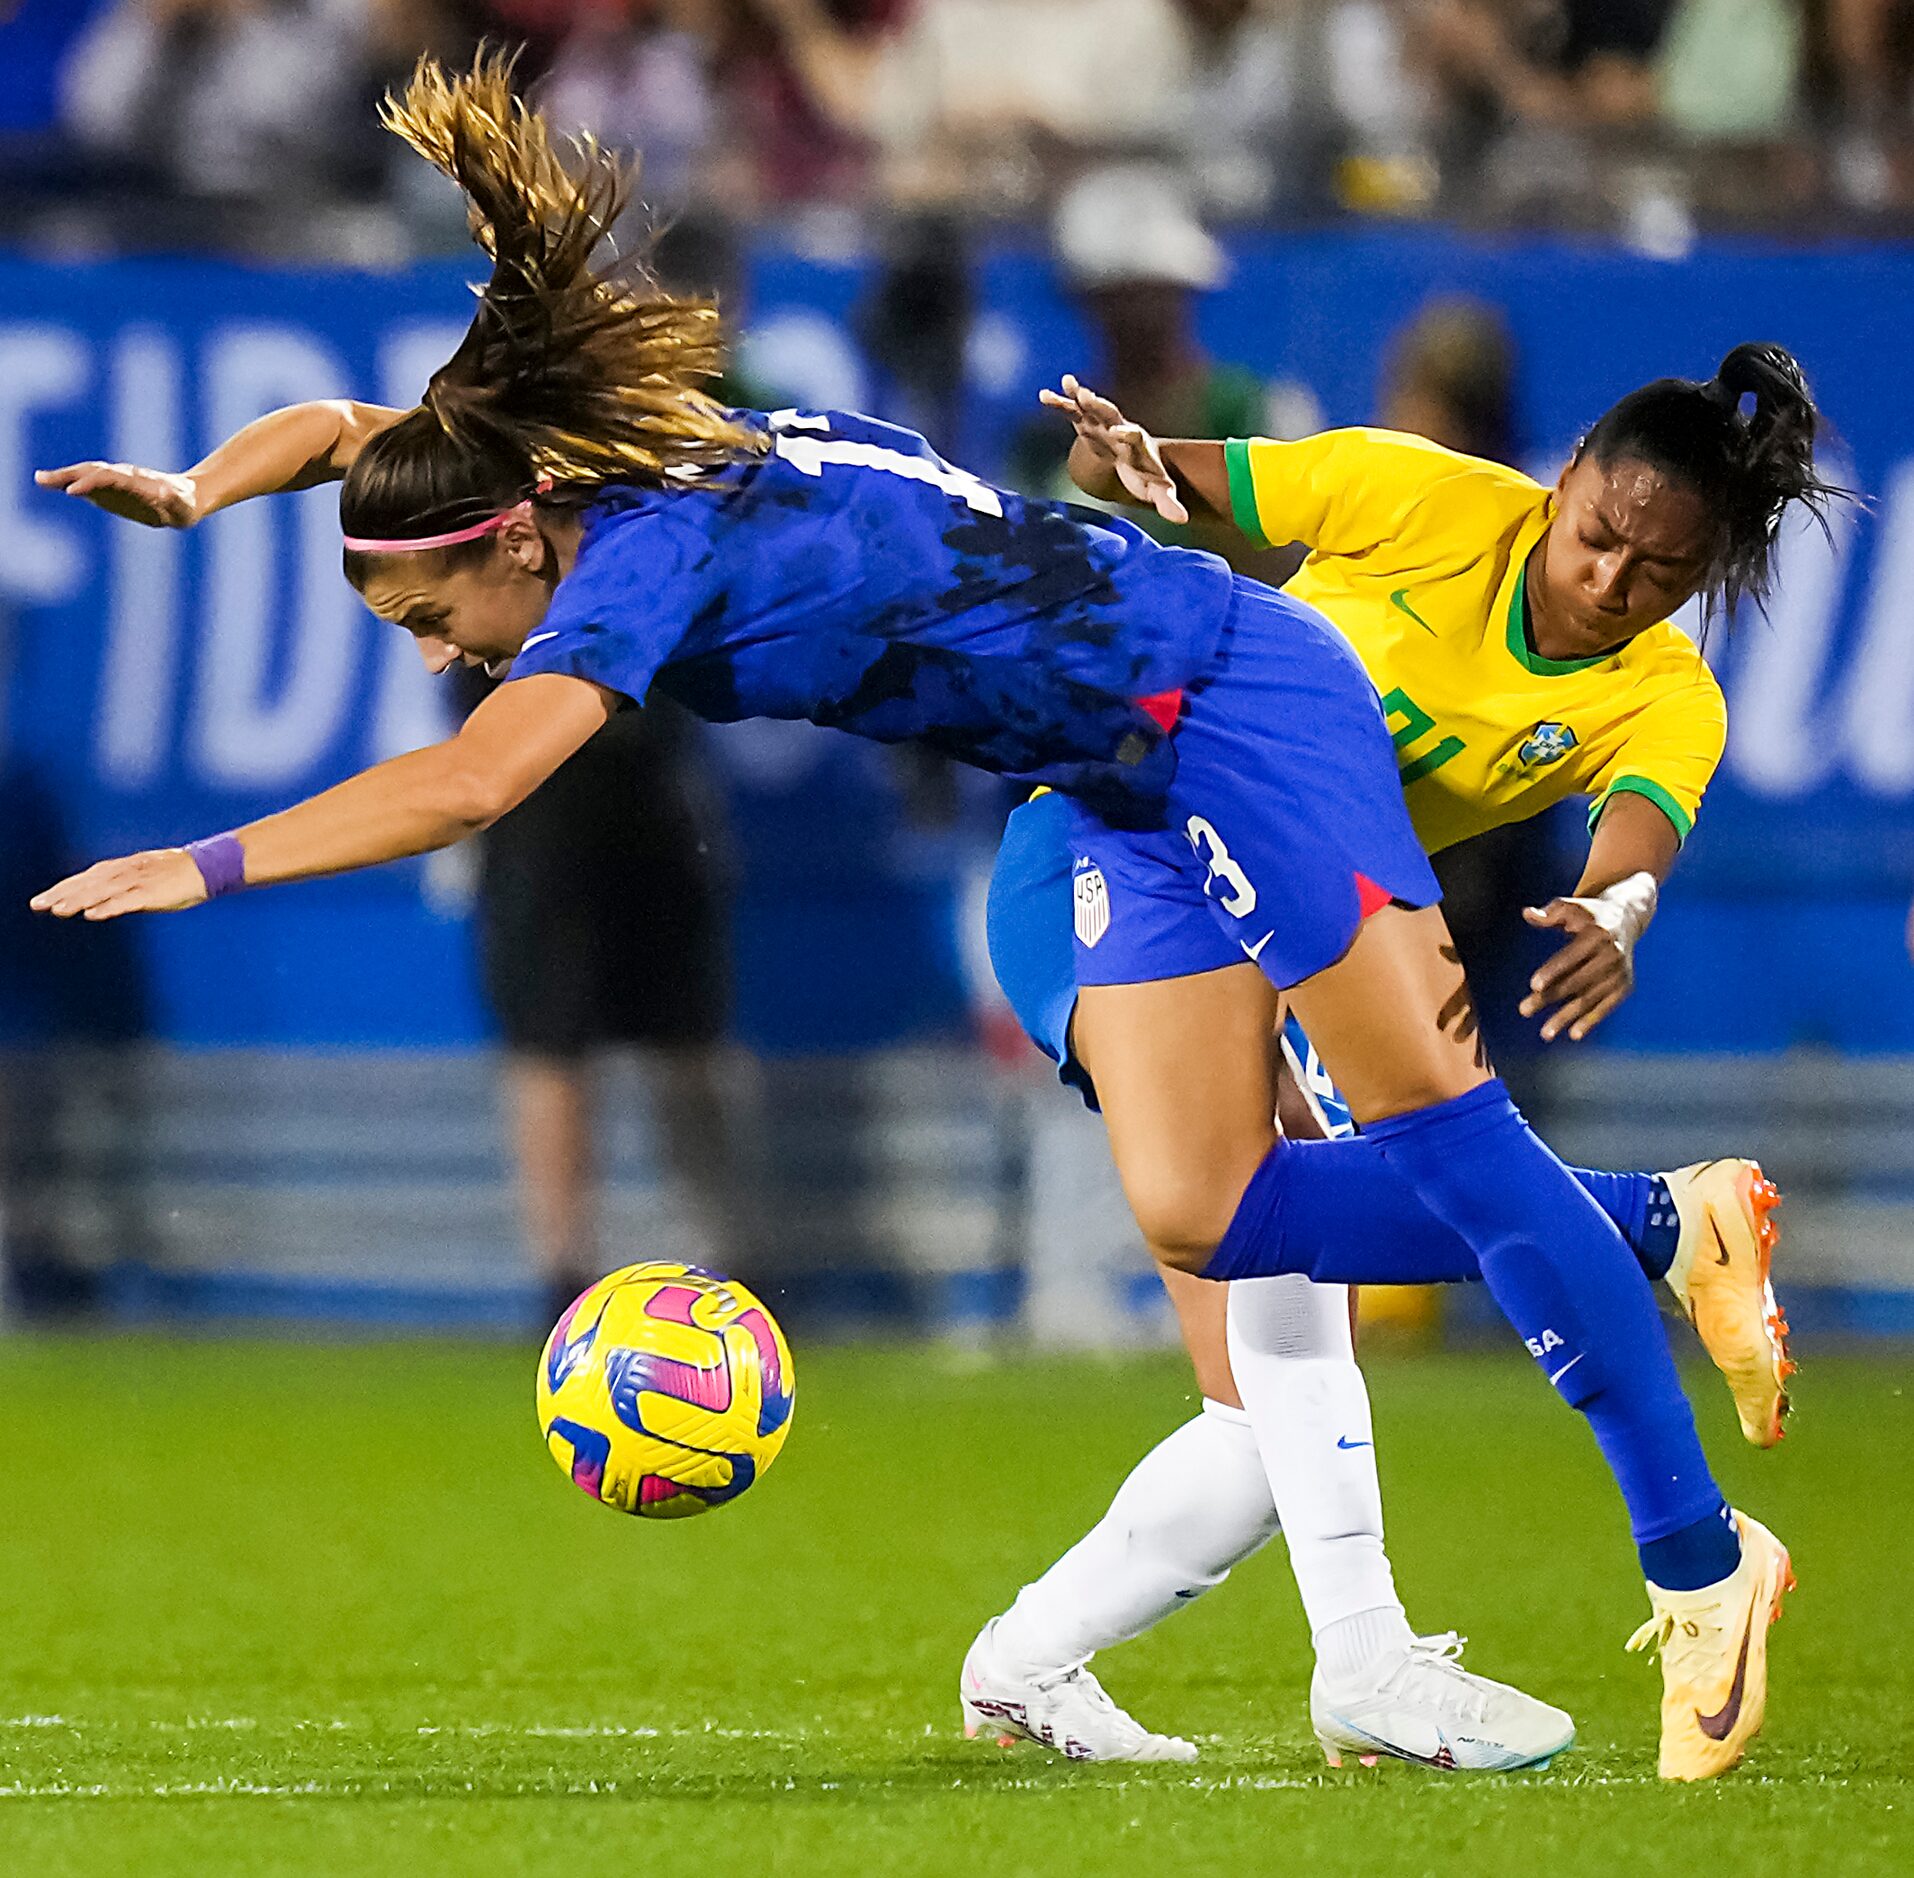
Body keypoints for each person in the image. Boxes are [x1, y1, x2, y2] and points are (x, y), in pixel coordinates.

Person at [35, 55, 1816, 1782]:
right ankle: (1653, 1245)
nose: (438, 653)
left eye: (432, 617)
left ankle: (1695, 1562)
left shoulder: (639, 558)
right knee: (1211, 1211)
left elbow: (474, 782)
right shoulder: (598, 455)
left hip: (1237, 702)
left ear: (515, 542)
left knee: (1446, 1137)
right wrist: (202, 488)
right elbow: (359, 434)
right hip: (1117, 772)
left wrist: (200, 862)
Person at [968, 355, 1829, 1773]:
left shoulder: (1664, 696)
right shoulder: (1422, 498)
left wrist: (1613, 909)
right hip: (1117, 846)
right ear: (1554, 491)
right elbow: (1170, 475)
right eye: (1596, 535)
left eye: (1659, 569)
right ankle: (1652, 1226)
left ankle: (1025, 1663)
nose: (1611, 579)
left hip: (1281, 928)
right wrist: (1125, 459)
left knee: (1261, 1411)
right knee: (1245, 1224)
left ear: (1702, 578)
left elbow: (1639, 833)